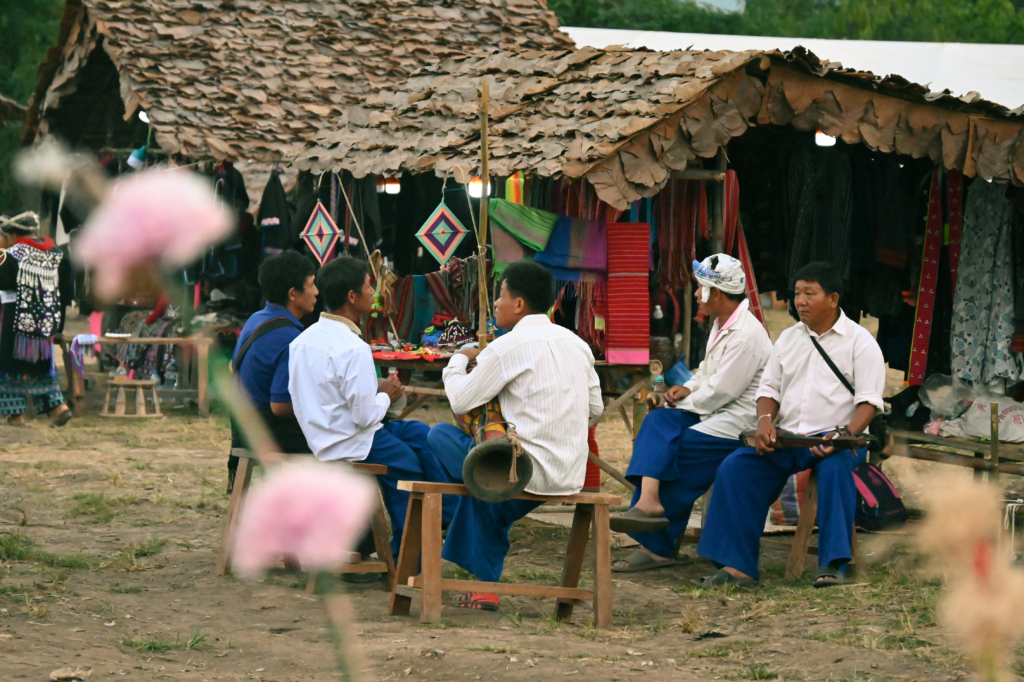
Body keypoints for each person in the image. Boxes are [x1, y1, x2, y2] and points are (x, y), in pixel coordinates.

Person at [426, 261, 603, 611]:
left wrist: (457, 360)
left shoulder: (505, 347)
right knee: (482, 473)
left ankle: (482, 581)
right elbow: (595, 410)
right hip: (569, 473)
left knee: (440, 437)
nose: (495, 303)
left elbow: (460, 400)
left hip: (519, 473)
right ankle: (482, 584)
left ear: (519, 304)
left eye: (501, 296)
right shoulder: (577, 344)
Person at [696, 262, 885, 587]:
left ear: (833, 299)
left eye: (810, 293)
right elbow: (768, 391)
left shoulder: (861, 342)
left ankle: (832, 565)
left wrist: (844, 435)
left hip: (839, 440)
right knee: (736, 467)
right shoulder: (788, 338)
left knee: (835, 469)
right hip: (791, 439)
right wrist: (765, 423)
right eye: (797, 293)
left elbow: (869, 402)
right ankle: (737, 566)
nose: (800, 301)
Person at [609, 254, 772, 572]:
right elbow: (707, 373)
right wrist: (686, 388)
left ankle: (657, 547)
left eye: (701, 288)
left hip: (735, 421)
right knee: (657, 420)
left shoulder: (746, 335)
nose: (696, 294)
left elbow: (721, 392)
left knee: (676, 451)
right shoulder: (722, 323)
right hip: (713, 411)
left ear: (717, 293)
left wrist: (680, 401)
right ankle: (648, 502)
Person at [288, 256, 448, 555]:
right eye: (369, 286)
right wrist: (386, 393)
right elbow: (364, 417)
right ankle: (408, 555)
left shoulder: (302, 340)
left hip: (322, 433)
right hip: (349, 439)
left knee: (420, 434)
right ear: (352, 296)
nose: (375, 292)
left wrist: (379, 395)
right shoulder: (354, 348)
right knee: (408, 464)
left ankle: (447, 512)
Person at [227, 251, 317, 493]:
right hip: (266, 433)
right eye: (311, 285)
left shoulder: (256, 319)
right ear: (293, 294)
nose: (317, 292)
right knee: (340, 443)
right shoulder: (289, 337)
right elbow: (280, 407)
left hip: (242, 426)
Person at [0, 213, 73, 427]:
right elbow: (66, 289)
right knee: (41, 366)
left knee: (10, 366)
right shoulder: (56, 253)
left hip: (15, 320)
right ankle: (58, 407)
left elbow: (3, 283)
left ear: (12, 234)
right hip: (45, 322)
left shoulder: (10, 255)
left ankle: (16, 415)